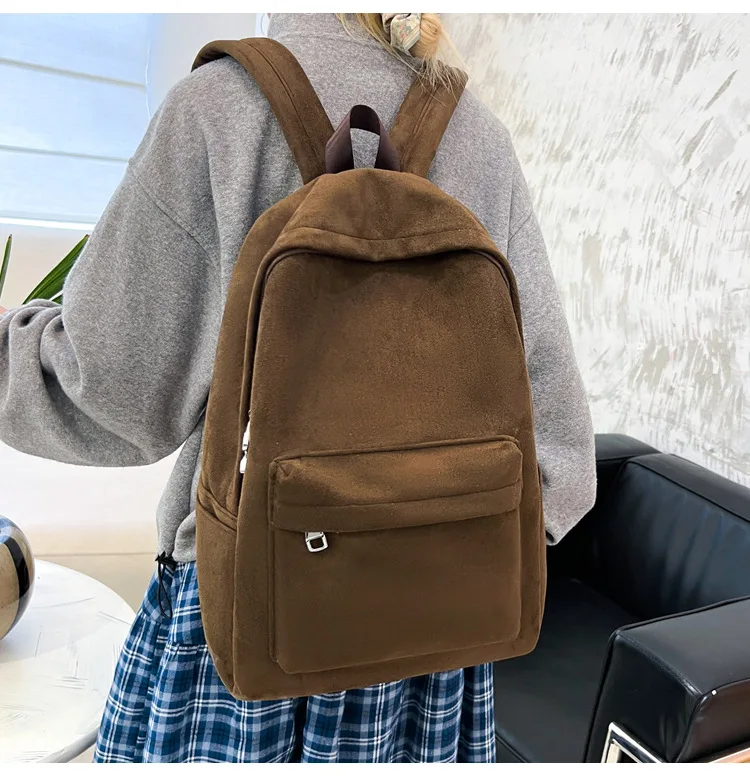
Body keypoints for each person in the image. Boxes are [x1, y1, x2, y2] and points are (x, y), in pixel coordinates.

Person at [0, 13, 596, 763]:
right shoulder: (480, 135)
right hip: (433, 647)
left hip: (251, 629)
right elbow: (561, 462)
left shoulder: (218, 109)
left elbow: (111, 396)